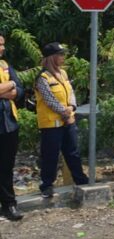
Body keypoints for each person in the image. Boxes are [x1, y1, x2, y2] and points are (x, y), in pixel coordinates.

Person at [35, 42, 89, 198]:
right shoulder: (42, 78)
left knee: (73, 153)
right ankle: (47, 186)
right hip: (51, 124)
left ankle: (81, 180)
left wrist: (71, 108)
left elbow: (70, 93)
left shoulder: (63, 74)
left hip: (67, 120)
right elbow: (49, 99)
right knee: (50, 156)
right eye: (60, 54)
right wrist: (63, 111)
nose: (63, 57)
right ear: (52, 58)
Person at [0, 33, 24, 221]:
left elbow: (20, 89)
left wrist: (12, 87)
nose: (2, 48)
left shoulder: (5, 66)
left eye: (3, 45)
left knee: (6, 167)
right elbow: (13, 85)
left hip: (8, 124)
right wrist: (9, 85)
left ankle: (9, 204)